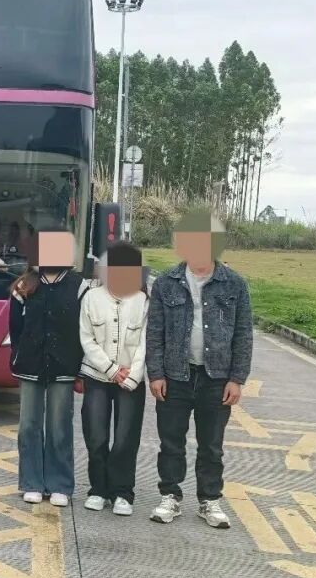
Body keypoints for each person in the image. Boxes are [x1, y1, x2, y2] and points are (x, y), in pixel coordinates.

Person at [147, 210, 253, 529]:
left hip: (216, 377)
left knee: (211, 445)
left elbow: (243, 334)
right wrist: (156, 374)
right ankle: (170, 496)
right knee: (171, 443)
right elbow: (155, 332)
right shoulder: (166, 283)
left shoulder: (234, 284)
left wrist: (237, 378)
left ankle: (210, 500)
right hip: (175, 375)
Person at [9, 230, 83, 506]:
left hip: (65, 365)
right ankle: (31, 482)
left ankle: (59, 484)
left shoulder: (79, 286)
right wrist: (19, 355)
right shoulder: (23, 286)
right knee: (28, 425)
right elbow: (15, 328)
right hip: (30, 364)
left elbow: (84, 329)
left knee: (59, 426)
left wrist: (81, 366)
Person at [79, 242, 149, 516]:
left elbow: (145, 342)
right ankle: (98, 489)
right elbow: (87, 338)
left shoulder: (142, 301)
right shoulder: (91, 298)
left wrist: (132, 376)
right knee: (96, 436)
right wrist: (110, 369)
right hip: (97, 375)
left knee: (125, 439)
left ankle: (122, 492)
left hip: (131, 380)